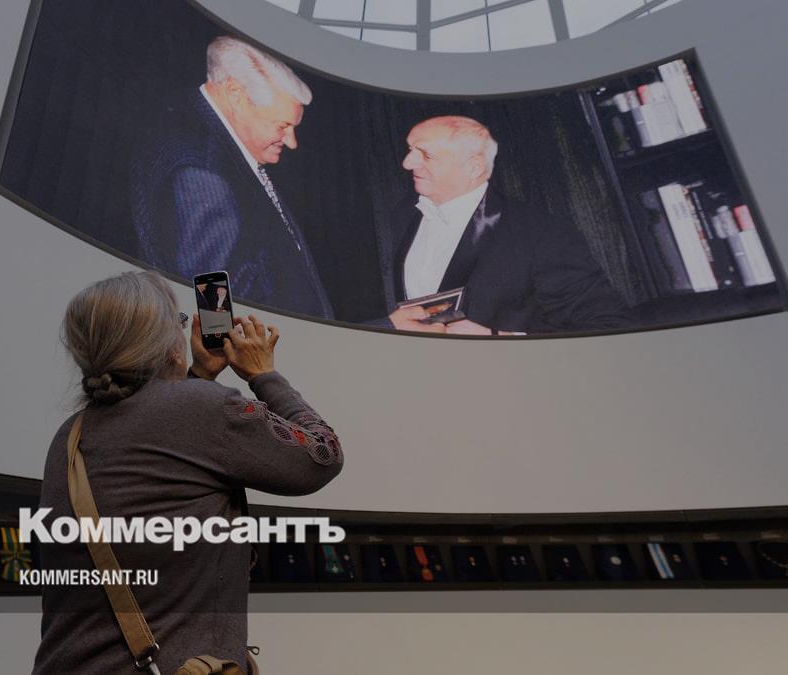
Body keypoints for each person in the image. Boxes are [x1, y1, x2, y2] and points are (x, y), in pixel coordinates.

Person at [32, 271, 342, 674]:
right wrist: (263, 374)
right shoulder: (203, 410)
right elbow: (321, 457)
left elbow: (167, 450)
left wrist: (197, 377)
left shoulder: (70, 434)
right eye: (179, 323)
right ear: (165, 344)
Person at [130, 36, 334, 319]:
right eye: (282, 126)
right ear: (236, 94)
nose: (292, 142)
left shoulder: (203, 136)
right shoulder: (202, 174)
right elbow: (216, 320)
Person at [379, 115, 632, 335]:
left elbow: (609, 326)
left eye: (426, 154)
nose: (407, 163)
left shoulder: (538, 232)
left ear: (474, 167)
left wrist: (499, 338)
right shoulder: (400, 216)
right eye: (410, 150)